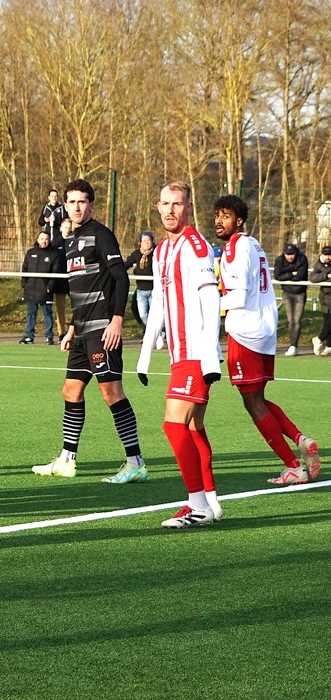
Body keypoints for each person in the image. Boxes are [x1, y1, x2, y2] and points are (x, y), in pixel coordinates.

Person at [33, 179, 147, 484]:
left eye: (82, 202)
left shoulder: (101, 235)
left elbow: (121, 279)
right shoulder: (71, 240)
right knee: (71, 389)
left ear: (91, 205)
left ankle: (135, 462)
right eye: (71, 202)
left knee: (111, 392)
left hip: (103, 329)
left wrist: (117, 320)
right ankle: (67, 460)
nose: (76, 207)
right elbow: (83, 288)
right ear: (65, 206)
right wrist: (72, 327)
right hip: (82, 331)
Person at [213, 194, 320, 485]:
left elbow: (237, 296)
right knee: (258, 398)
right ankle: (300, 439)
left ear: (239, 221)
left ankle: (293, 466)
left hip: (245, 331)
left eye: (225, 216)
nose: (219, 221)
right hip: (264, 329)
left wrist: (206, 304)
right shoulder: (253, 243)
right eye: (218, 215)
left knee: (252, 404)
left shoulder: (234, 248)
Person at [135, 182, 223, 527]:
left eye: (177, 204)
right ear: (157, 207)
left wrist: (210, 355)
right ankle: (211, 502)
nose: (171, 209)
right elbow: (158, 302)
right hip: (178, 353)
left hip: (196, 351)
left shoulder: (196, 246)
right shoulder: (161, 250)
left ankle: (197, 505)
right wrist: (144, 354)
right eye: (165, 203)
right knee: (194, 428)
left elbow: (211, 297)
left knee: (173, 426)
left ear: (189, 208)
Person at [20, 231, 56, 345]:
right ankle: (29, 336)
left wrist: (50, 286)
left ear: (49, 240)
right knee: (31, 313)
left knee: (47, 314)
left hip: (45, 291)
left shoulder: (53, 255)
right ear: (37, 240)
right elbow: (24, 268)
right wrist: (24, 283)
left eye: (46, 239)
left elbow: (55, 272)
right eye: (41, 239)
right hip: (30, 289)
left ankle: (49, 336)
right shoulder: (31, 253)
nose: (44, 241)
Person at [273, 242, 308, 356]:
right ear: (284, 253)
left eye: (292, 254)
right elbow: (277, 276)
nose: (290, 257)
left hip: (300, 293)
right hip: (287, 292)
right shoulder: (279, 260)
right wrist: (292, 273)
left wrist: (287, 274)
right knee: (290, 320)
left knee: (297, 320)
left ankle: (294, 345)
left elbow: (301, 276)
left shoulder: (302, 259)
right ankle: (292, 345)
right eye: (288, 254)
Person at [125, 232, 156, 328]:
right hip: (141, 289)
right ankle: (148, 330)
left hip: (154, 289)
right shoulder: (137, 254)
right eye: (144, 241)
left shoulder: (157, 253)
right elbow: (126, 264)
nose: (147, 243)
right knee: (140, 312)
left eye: (149, 240)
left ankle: (157, 332)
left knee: (154, 314)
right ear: (140, 243)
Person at [311, 245, 331, 357]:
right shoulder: (318, 264)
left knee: (329, 322)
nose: (328, 257)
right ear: (322, 255)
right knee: (329, 322)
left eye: (330, 255)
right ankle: (318, 340)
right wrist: (326, 275)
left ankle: (328, 346)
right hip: (326, 298)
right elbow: (313, 278)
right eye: (326, 255)